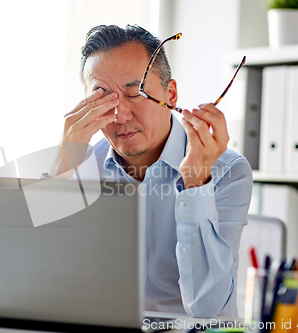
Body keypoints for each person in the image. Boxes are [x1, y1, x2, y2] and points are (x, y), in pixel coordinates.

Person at [58, 24, 252, 317]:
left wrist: (196, 184)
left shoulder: (227, 171)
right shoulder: (79, 166)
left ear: (171, 95)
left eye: (135, 93)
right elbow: (50, 283)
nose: (120, 116)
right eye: (102, 97)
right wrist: (62, 171)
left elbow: (206, 306)